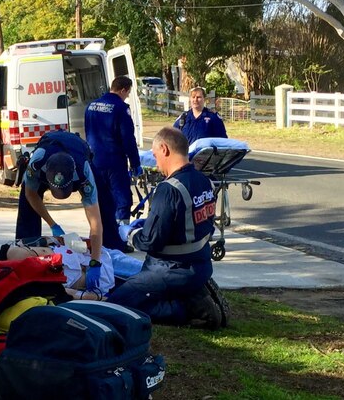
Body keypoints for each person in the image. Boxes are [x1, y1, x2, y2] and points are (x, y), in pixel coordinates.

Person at [107, 126, 222, 329]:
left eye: (155, 155)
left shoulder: (169, 189)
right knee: (130, 285)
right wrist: (149, 224)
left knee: (117, 305)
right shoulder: (204, 182)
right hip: (201, 263)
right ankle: (191, 293)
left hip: (173, 269)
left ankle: (186, 309)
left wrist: (129, 233)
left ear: (165, 149)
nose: (156, 162)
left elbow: (151, 242)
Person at [14, 130, 127, 292]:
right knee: (27, 211)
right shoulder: (37, 162)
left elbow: (95, 224)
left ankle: (110, 250)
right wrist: (53, 224)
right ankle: (24, 257)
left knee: (105, 207)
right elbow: (30, 194)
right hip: (49, 147)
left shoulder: (84, 172)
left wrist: (94, 262)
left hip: (77, 150)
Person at [84, 76, 142, 228]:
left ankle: (102, 237)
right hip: (114, 162)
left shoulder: (91, 106)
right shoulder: (121, 108)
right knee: (122, 199)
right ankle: (121, 237)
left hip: (94, 162)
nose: (127, 97)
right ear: (123, 90)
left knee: (100, 199)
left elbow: (88, 132)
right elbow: (128, 139)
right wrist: (135, 163)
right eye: (127, 93)